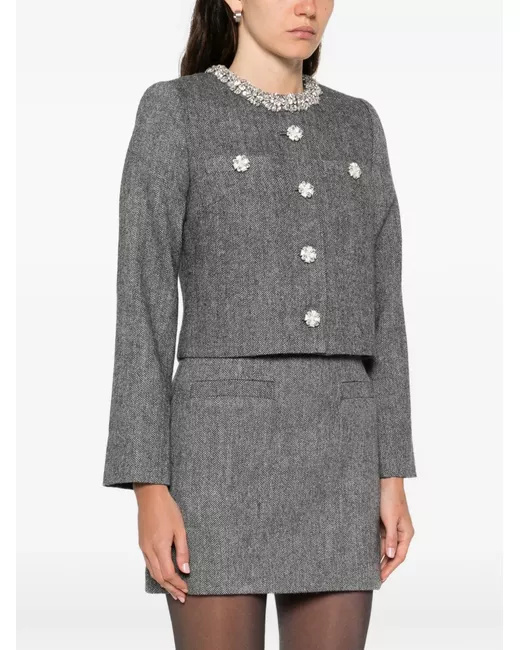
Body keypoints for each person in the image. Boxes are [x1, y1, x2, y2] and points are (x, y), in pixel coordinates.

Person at [102, 0, 418, 647]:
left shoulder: (359, 125)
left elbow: (387, 312)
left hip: (341, 455)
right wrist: (147, 485)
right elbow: (143, 304)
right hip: (216, 463)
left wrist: (393, 475)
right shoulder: (175, 112)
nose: (307, 6)